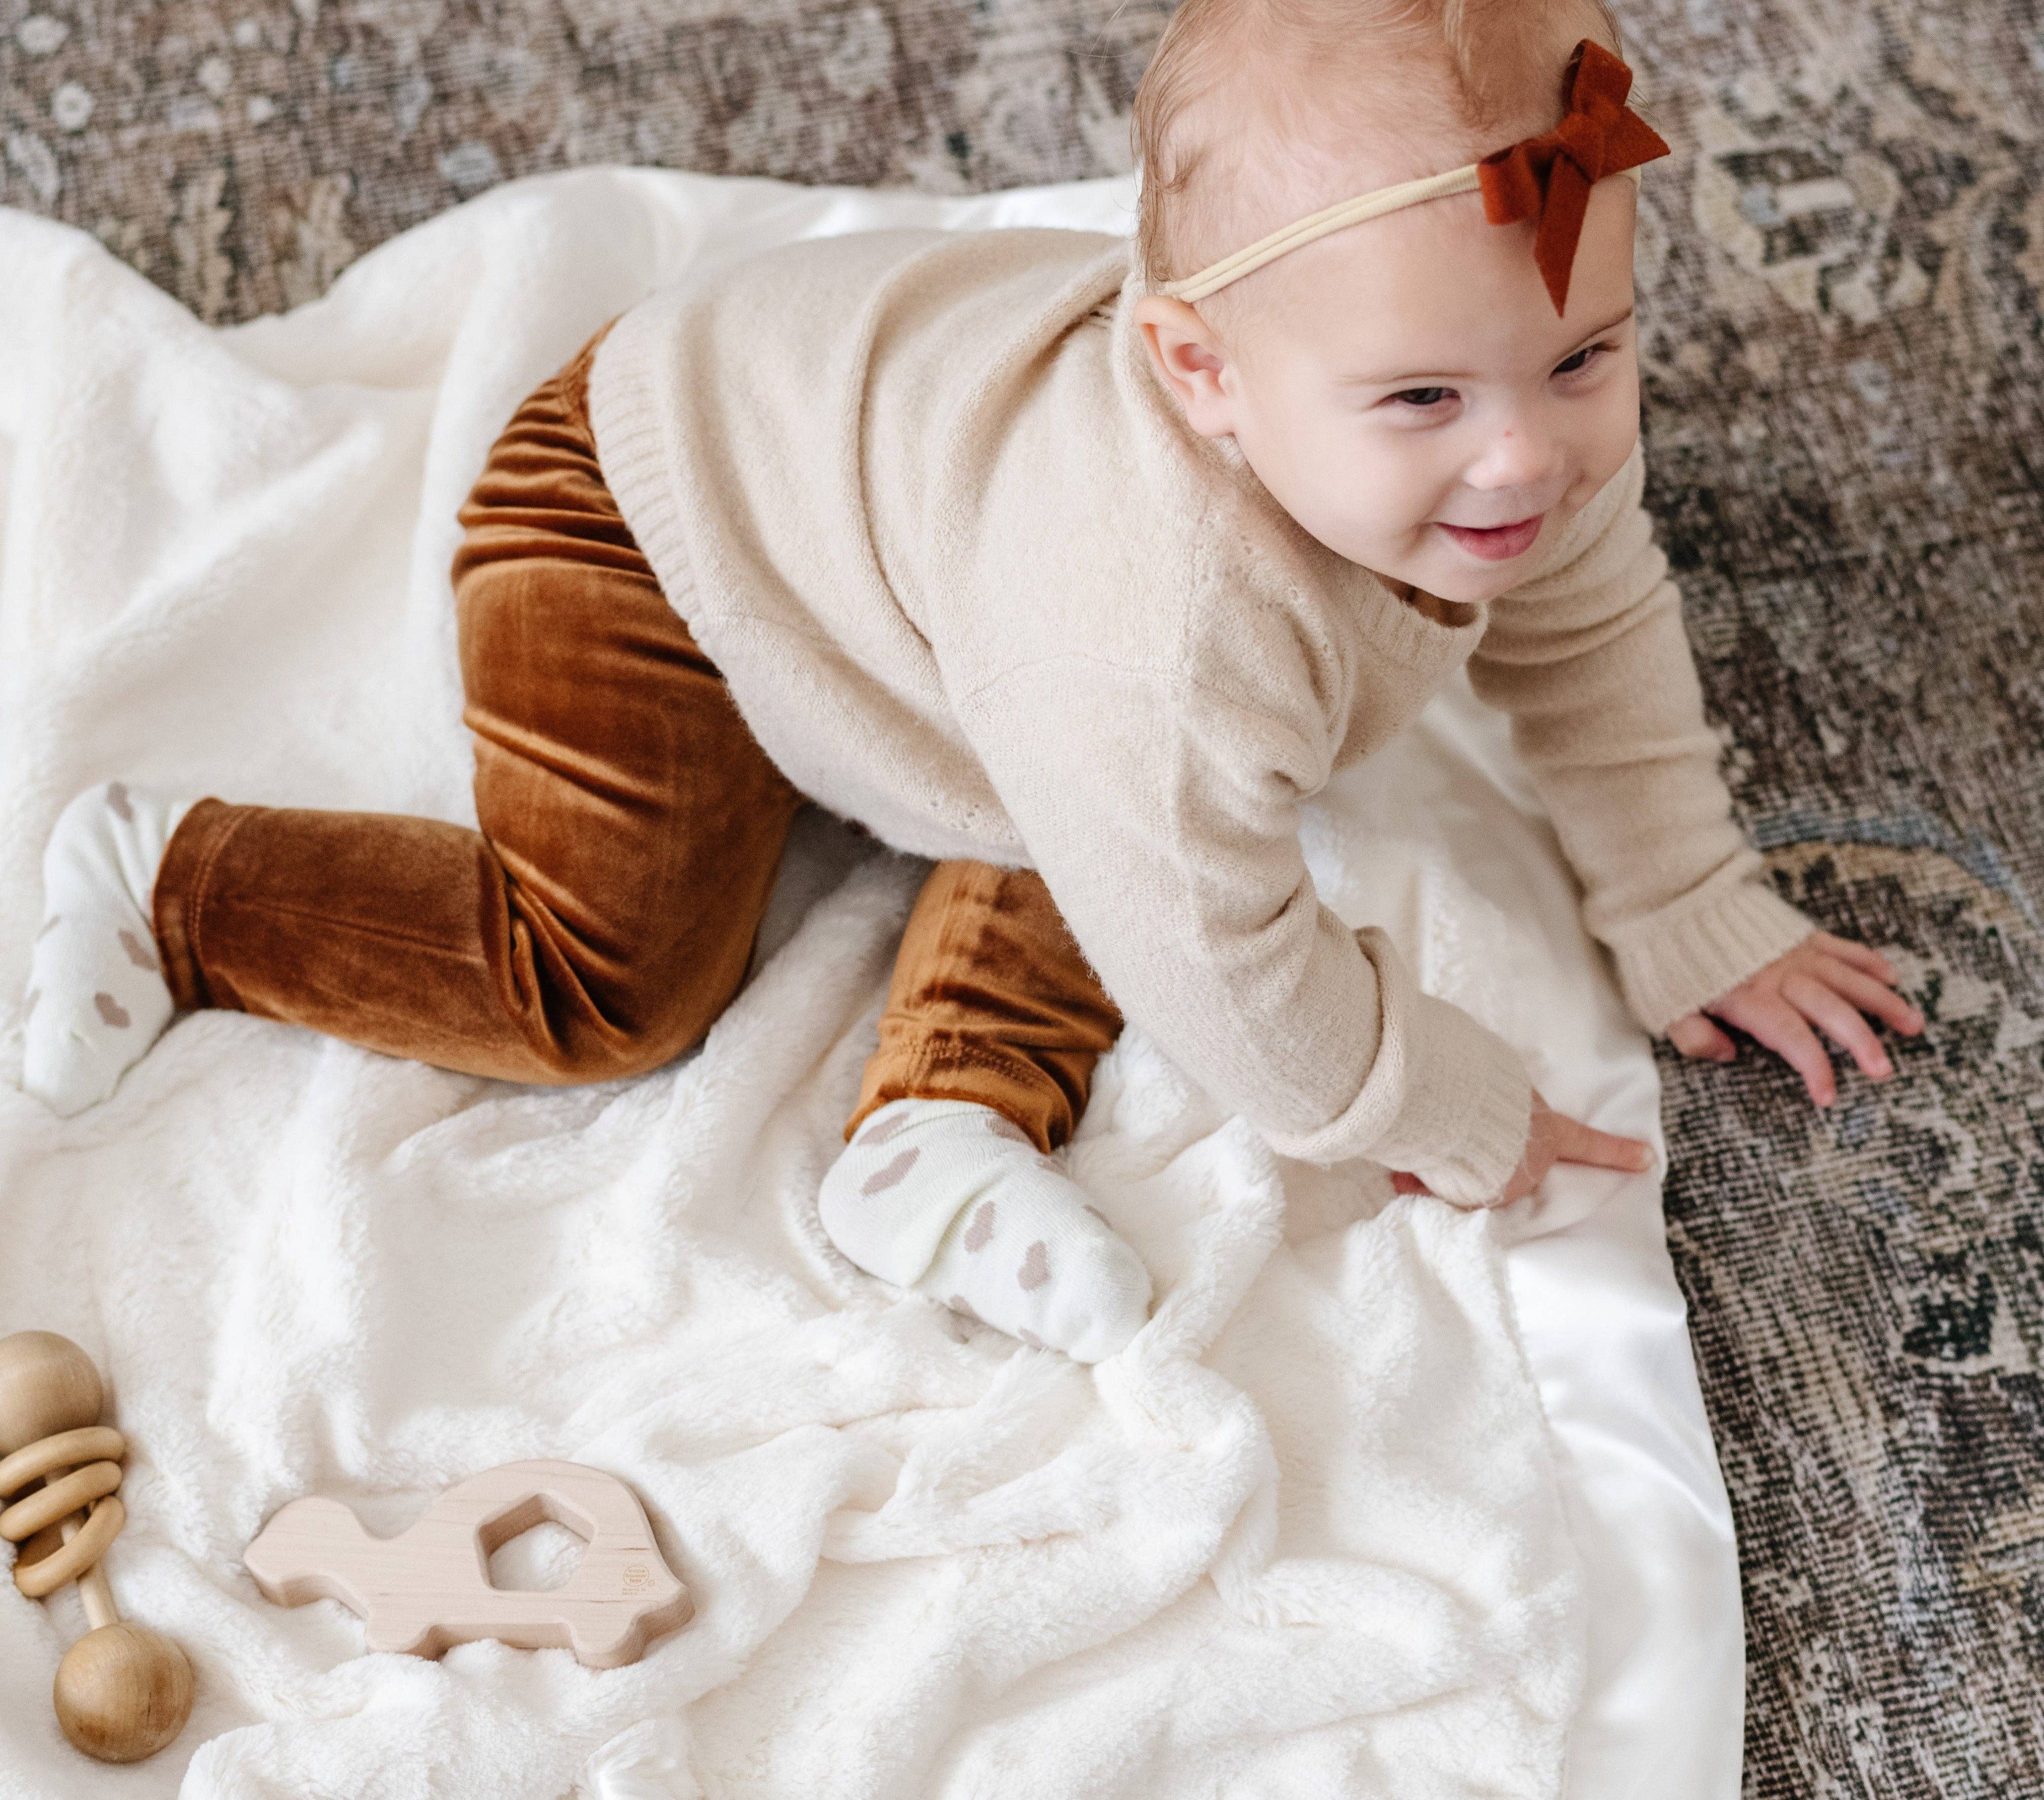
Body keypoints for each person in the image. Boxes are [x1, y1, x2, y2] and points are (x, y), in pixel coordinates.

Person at [19, 0, 1922, 1361]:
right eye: (1423, 398)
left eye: (1588, 359)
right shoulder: (1158, 626)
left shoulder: (1511, 437)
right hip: (647, 516)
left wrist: (1684, 898)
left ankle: (934, 1127)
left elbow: (1592, 625)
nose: (1526, 458)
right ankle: (177, 881)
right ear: (1201, 374)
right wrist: (1434, 1098)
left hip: (954, 612)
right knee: (609, 979)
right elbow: (1230, 969)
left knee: (1118, 821)